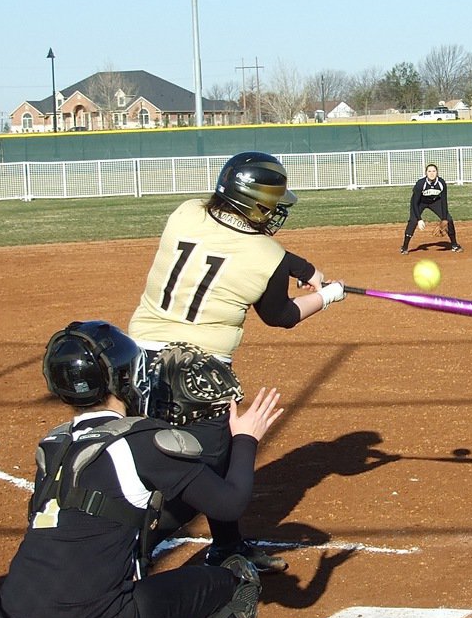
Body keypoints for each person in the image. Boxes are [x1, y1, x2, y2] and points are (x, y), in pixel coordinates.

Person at [0, 320, 284, 618]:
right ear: (124, 379)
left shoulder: (52, 445)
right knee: (238, 583)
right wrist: (244, 440)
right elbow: (228, 505)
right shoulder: (140, 443)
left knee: (66, 570)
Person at [129, 150, 345, 574]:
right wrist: (328, 296)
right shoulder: (266, 257)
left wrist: (301, 266)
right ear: (257, 204)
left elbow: (247, 248)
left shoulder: (186, 213)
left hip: (136, 358)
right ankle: (128, 554)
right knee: (201, 473)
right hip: (196, 372)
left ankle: (228, 546)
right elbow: (280, 316)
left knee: (219, 451)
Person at [400, 163, 462, 254]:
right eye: (429, 171)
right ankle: (404, 247)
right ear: (426, 173)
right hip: (420, 202)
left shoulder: (441, 183)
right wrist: (419, 219)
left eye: (434, 171)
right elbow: (415, 202)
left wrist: (444, 219)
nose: (432, 173)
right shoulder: (421, 184)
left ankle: (454, 245)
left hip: (435, 201)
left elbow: (444, 201)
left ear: (437, 172)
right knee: (413, 221)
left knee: (449, 219)